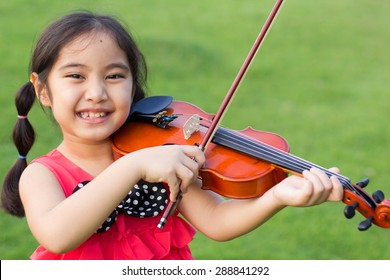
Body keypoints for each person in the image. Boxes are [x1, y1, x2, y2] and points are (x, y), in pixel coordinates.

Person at [1, 11, 343, 260]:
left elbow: (216, 220)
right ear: (43, 90)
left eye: (115, 76)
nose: (96, 93)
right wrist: (133, 166)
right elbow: (59, 236)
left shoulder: (163, 152)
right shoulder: (42, 174)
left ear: (133, 85)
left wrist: (276, 197)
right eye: (76, 76)